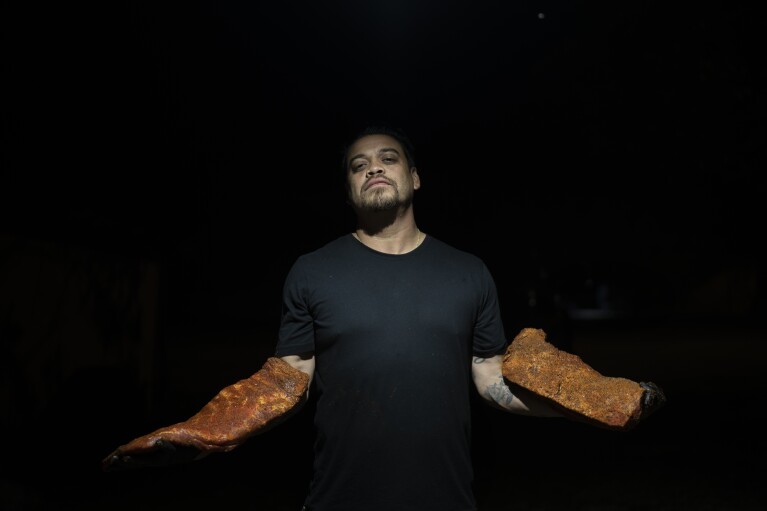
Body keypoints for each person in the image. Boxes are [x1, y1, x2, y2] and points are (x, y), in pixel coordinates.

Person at [102, 123, 665, 511]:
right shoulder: (313, 271)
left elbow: (492, 381)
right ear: (349, 190)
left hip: (446, 499)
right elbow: (286, 381)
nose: (373, 168)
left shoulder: (468, 272)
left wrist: (591, 403)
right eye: (359, 165)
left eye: (387, 158)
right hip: (337, 498)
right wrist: (199, 432)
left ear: (414, 178)